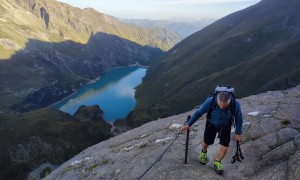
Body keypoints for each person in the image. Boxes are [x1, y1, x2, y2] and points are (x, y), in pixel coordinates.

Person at [180, 90, 243, 175]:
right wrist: (189, 124)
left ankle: (217, 162)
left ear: (229, 100)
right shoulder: (210, 101)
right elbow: (198, 113)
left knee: (224, 147)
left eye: (225, 106)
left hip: (225, 126)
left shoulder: (235, 104)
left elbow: (238, 118)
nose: (222, 107)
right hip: (211, 124)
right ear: (217, 99)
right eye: (220, 105)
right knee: (207, 142)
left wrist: (238, 132)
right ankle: (204, 152)